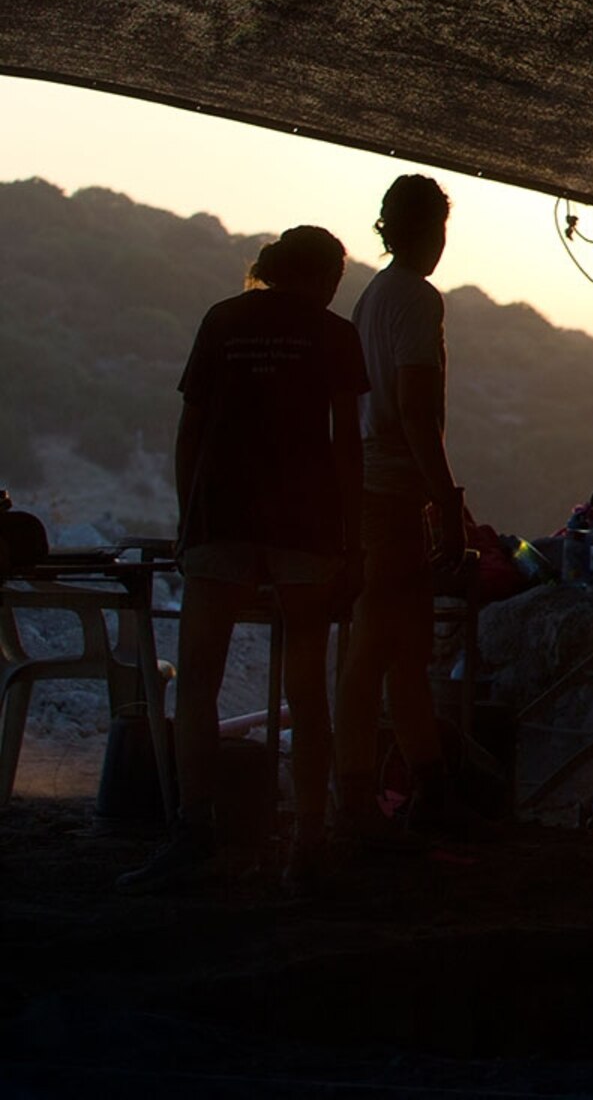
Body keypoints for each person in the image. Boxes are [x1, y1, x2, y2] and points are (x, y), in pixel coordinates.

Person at [120, 226, 367, 894]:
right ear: (326, 278)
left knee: (198, 679)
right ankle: (309, 841)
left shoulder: (223, 318)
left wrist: (186, 518)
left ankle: (194, 830)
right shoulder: (335, 334)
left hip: (221, 516)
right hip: (305, 525)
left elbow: (190, 428)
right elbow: (347, 442)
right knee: (307, 684)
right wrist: (355, 535)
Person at [338, 174, 463, 842]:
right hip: (391, 496)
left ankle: (422, 787)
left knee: (392, 652)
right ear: (433, 230)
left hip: (370, 489)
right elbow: (417, 410)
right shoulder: (416, 299)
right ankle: (363, 798)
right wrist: (445, 501)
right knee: (382, 654)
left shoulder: (373, 296)